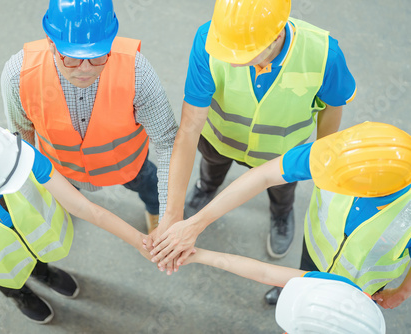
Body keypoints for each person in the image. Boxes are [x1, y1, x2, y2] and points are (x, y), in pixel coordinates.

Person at [151, 0, 356, 268]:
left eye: (244, 55)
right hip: (218, 140)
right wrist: (172, 211)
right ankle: (205, 188)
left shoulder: (324, 54)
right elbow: (189, 129)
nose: (233, 64)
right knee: (210, 169)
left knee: (282, 191)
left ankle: (281, 214)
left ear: (277, 35)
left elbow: (332, 106)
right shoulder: (210, 39)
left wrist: (321, 156)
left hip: (281, 155)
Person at [148, 121, 411, 309]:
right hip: (316, 246)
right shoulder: (339, 155)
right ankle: (291, 287)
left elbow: (264, 272)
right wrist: (195, 224)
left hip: (360, 286)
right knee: (301, 274)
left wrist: (402, 292)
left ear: (369, 191)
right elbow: (263, 175)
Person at [0, 120, 150, 324]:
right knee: (9, 280)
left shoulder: (18, 155)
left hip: (33, 244)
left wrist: (139, 241)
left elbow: (82, 207)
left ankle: (43, 273)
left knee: (36, 259)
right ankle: (20, 295)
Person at [1, 0, 178, 234]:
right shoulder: (18, 77)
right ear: (50, 42)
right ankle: (69, 205)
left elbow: (167, 141)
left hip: (127, 165)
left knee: (149, 184)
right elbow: (22, 142)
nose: (85, 69)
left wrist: (168, 214)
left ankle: (155, 209)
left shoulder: (137, 72)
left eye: (97, 56)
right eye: (71, 58)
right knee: (70, 198)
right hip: (63, 170)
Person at [184, 248, 386, 333]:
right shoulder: (334, 288)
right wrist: (198, 255)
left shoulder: (340, 288)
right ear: (366, 297)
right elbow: (264, 273)